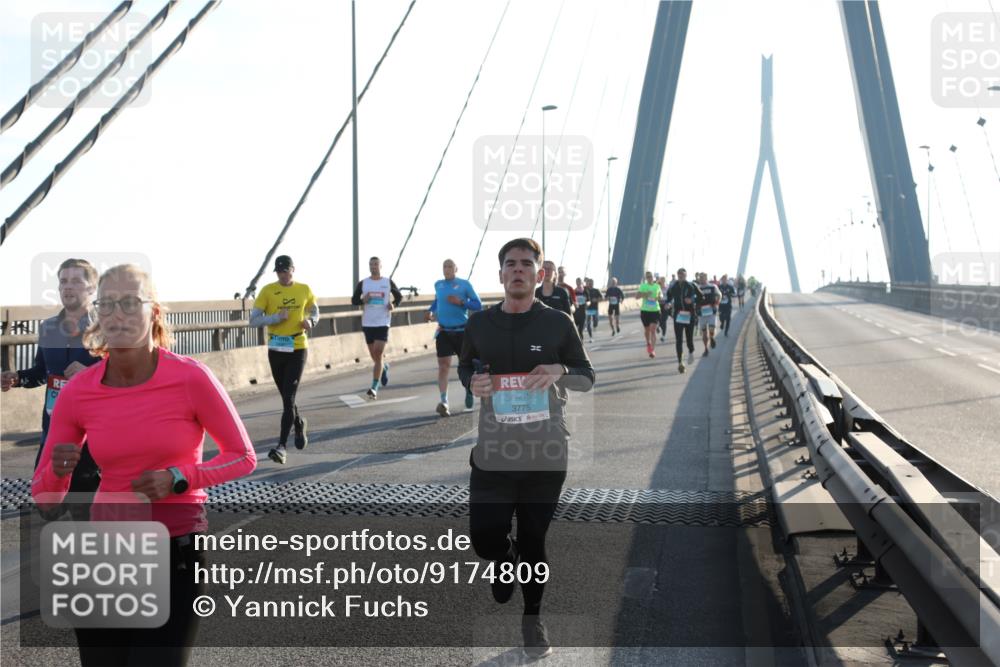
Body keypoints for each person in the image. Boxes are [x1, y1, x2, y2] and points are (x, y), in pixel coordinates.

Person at [33, 264, 256, 666]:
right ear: (97, 313)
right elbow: (46, 499)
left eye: (131, 303)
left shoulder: (190, 378)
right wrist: (59, 471)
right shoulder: (79, 392)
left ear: (154, 312)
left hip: (174, 551)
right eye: (108, 304)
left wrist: (180, 478)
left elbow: (243, 456)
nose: (118, 314)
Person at [459, 238, 594, 660]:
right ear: (501, 274)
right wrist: (471, 382)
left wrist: (561, 369)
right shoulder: (478, 323)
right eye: (510, 264)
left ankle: (532, 620)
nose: (518, 270)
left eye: (526, 264)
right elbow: (466, 366)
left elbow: (586, 376)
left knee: (534, 541)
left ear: (539, 274)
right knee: (484, 538)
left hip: (546, 452)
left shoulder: (558, 323)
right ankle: (503, 559)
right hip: (494, 450)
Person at [2, 258, 102, 518]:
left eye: (76, 281)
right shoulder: (48, 328)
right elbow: (40, 373)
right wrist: (18, 378)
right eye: (63, 281)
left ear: (92, 289)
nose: (67, 287)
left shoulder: (105, 329)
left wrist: (91, 374)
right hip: (54, 428)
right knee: (47, 508)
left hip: (92, 435)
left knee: (85, 513)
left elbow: (127, 377)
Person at [249, 255, 318, 465]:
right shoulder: (268, 291)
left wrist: (311, 321)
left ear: (293, 270)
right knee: (286, 398)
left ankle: (281, 447)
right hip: (276, 349)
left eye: (285, 271)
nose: (282, 275)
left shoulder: (304, 289)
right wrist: (275, 318)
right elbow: (253, 320)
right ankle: (299, 423)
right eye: (279, 272)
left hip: (297, 348)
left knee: (288, 398)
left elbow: (315, 311)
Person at [426, 259, 482, 417]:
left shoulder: (464, 284)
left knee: (465, 364)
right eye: (444, 266)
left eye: (450, 266)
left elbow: (478, 305)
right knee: (443, 366)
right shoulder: (438, 284)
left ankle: (469, 391)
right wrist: (431, 311)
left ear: (456, 268)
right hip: (444, 331)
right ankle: (444, 402)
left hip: (462, 331)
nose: (447, 268)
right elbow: (437, 301)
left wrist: (461, 302)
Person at [351, 256, 403, 399]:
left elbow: (399, 296)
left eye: (376, 264)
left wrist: (393, 304)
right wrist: (363, 300)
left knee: (378, 352)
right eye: (371, 264)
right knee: (374, 356)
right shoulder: (364, 283)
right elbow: (354, 300)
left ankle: (374, 387)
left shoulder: (387, 282)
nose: (373, 266)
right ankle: (384, 367)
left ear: (381, 266)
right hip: (368, 323)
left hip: (383, 322)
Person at [666, 268, 699, 373]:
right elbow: (668, 297)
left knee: (689, 338)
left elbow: (701, 297)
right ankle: (680, 362)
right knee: (679, 340)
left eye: (683, 275)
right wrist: (668, 303)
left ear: (686, 275)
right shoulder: (673, 286)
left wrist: (692, 300)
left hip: (689, 315)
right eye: (679, 275)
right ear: (677, 275)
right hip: (679, 315)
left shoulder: (691, 285)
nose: (681, 276)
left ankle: (691, 351)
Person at [637, 270, 662, 358]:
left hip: (655, 310)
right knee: (647, 330)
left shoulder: (657, 286)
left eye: (650, 276)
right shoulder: (643, 286)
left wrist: (659, 297)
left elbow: (660, 295)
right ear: (646, 278)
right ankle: (648, 343)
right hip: (645, 311)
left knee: (652, 330)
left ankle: (652, 350)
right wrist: (645, 294)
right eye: (647, 277)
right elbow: (637, 297)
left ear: (653, 277)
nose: (649, 278)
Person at [696, 272, 722, 357]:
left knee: (711, 328)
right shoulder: (697, 288)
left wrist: (717, 303)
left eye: (703, 277)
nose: (701, 279)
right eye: (700, 277)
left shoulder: (713, 286)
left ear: (706, 278)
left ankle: (711, 338)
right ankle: (706, 349)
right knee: (704, 332)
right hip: (701, 312)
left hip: (711, 311)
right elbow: (693, 298)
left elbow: (719, 295)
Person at [656, 275, 670, 343]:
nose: (663, 282)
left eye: (664, 280)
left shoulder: (667, 288)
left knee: (664, 320)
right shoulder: (657, 288)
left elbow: (670, 297)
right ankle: (658, 326)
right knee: (659, 319)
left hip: (665, 305)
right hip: (658, 305)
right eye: (662, 280)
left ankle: (663, 336)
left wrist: (669, 304)